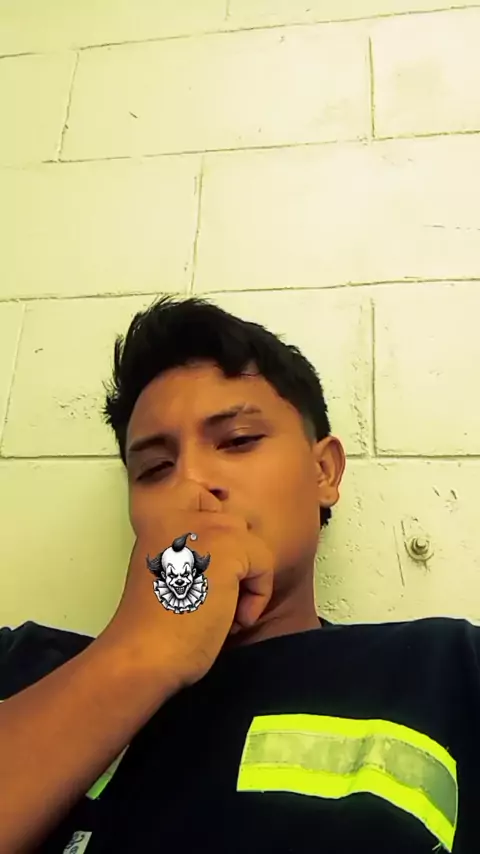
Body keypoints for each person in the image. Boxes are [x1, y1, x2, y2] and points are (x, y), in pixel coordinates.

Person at [0, 296, 477, 854]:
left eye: (239, 440)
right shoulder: (22, 668)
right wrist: (141, 650)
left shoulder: (448, 670)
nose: (192, 484)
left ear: (324, 472)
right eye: (155, 468)